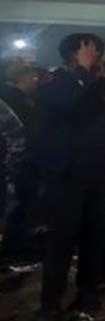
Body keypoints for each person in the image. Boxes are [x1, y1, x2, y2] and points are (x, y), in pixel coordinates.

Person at [34, 34, 105, 321]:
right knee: (61, 244)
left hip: (99, 176)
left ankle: (88, 299)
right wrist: (81, 71)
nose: (95, 55)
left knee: (94, 241)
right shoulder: (56, 84)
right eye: (89, 49)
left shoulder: (96, 87)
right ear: (73, 53)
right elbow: (69, 104)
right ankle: (49, 308)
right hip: (66, 178)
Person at [0, 61, 41, 264]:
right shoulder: (16, 101)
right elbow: (18, 135)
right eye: (31, 77)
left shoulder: (9, 98)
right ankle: (13, 248)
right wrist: (12, 165)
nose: (34, 80)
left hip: (12, 166)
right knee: (16, 209)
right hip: (19, 166)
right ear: (20, 78)